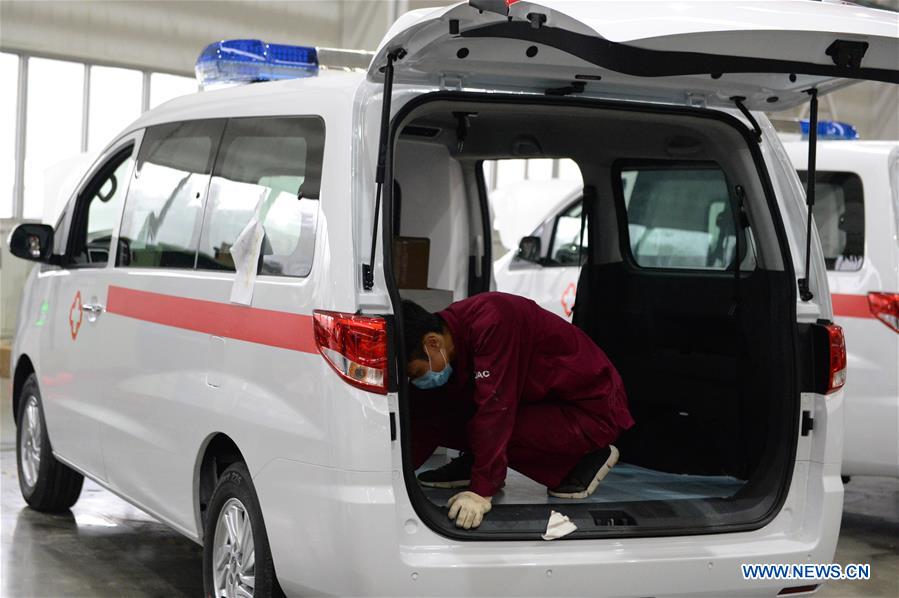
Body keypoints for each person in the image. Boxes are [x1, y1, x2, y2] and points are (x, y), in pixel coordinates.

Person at [404, 292, 634, 530]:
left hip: (591, 411)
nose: (418, 380)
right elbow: (425, 415)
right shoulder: (452, 336)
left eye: (417, 373)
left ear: (432, 342)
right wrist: (396, 472)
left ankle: (583, 460)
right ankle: (476, 464)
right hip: (540, 402)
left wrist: (481, 490)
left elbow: (496, 408)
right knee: (441, 403)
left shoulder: (492, 321)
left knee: (489, 420)